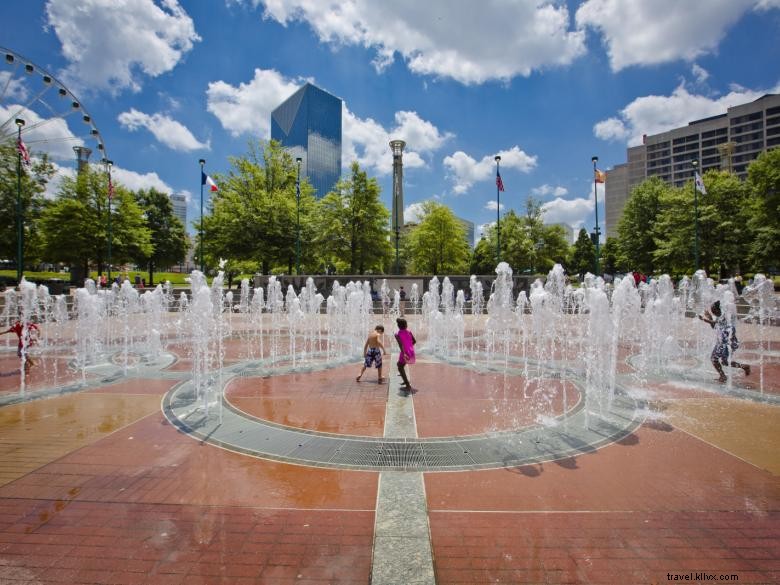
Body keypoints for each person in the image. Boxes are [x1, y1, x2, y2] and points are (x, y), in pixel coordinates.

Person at [698, 300, 750, 383]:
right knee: (724, 361)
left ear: (719, 310)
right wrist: (710, 318)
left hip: (727, 343)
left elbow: (716, 323)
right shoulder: (720, 317)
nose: (713, 313)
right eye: (712, 311)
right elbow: (714, 326)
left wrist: (705, 319)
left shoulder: (725, 316)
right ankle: (743, 367)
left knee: (714, 359)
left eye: (714, 311)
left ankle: (723, 376)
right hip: (722, 342)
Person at [394, 317, 416, 391]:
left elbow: (401, 345)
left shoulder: (397, 334)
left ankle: (407, 385)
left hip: (404, 352)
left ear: (398, 326)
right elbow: (414, 341)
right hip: (410, 351)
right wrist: (409, 346)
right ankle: (405, 380)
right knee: (400, 365)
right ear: (406, 325)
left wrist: (404, 353)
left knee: (400, 367)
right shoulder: (409, 332)